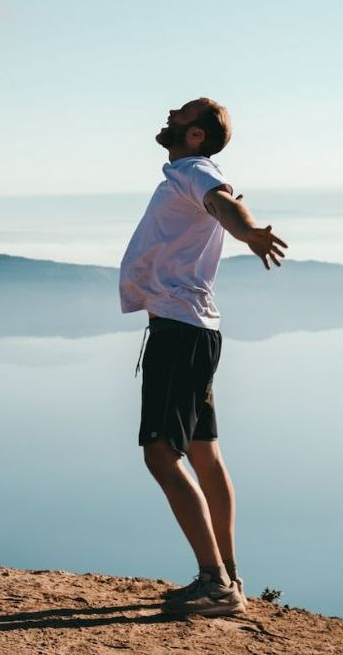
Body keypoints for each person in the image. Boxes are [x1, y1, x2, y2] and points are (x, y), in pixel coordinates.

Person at [118, 97, 287, 618]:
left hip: (179, 330)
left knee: (160, 454)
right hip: (192, 328)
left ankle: (215, 585)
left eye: (181, 114)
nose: (169, 115)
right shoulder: (187, 172)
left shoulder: (196, 171)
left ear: (195, 135)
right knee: (202, 450)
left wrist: (248, 231)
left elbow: (224, 203)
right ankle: (227, 573)